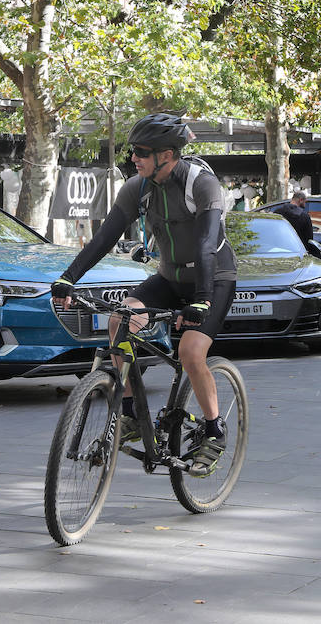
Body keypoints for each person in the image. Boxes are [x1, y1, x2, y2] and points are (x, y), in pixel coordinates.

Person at [52, 113, 237, 476]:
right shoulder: (137, 187)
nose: (133, 158)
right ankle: (132, 412)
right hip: (169, 277)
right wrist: (68, 278)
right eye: (132, 151)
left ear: (167, 155)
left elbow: (204, 245)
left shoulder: (202, 185)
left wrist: (200, 300)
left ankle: (214, 429)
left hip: (214, 279)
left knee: (189, 351)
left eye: (141, 152)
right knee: (119, 320)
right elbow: (105, 238)